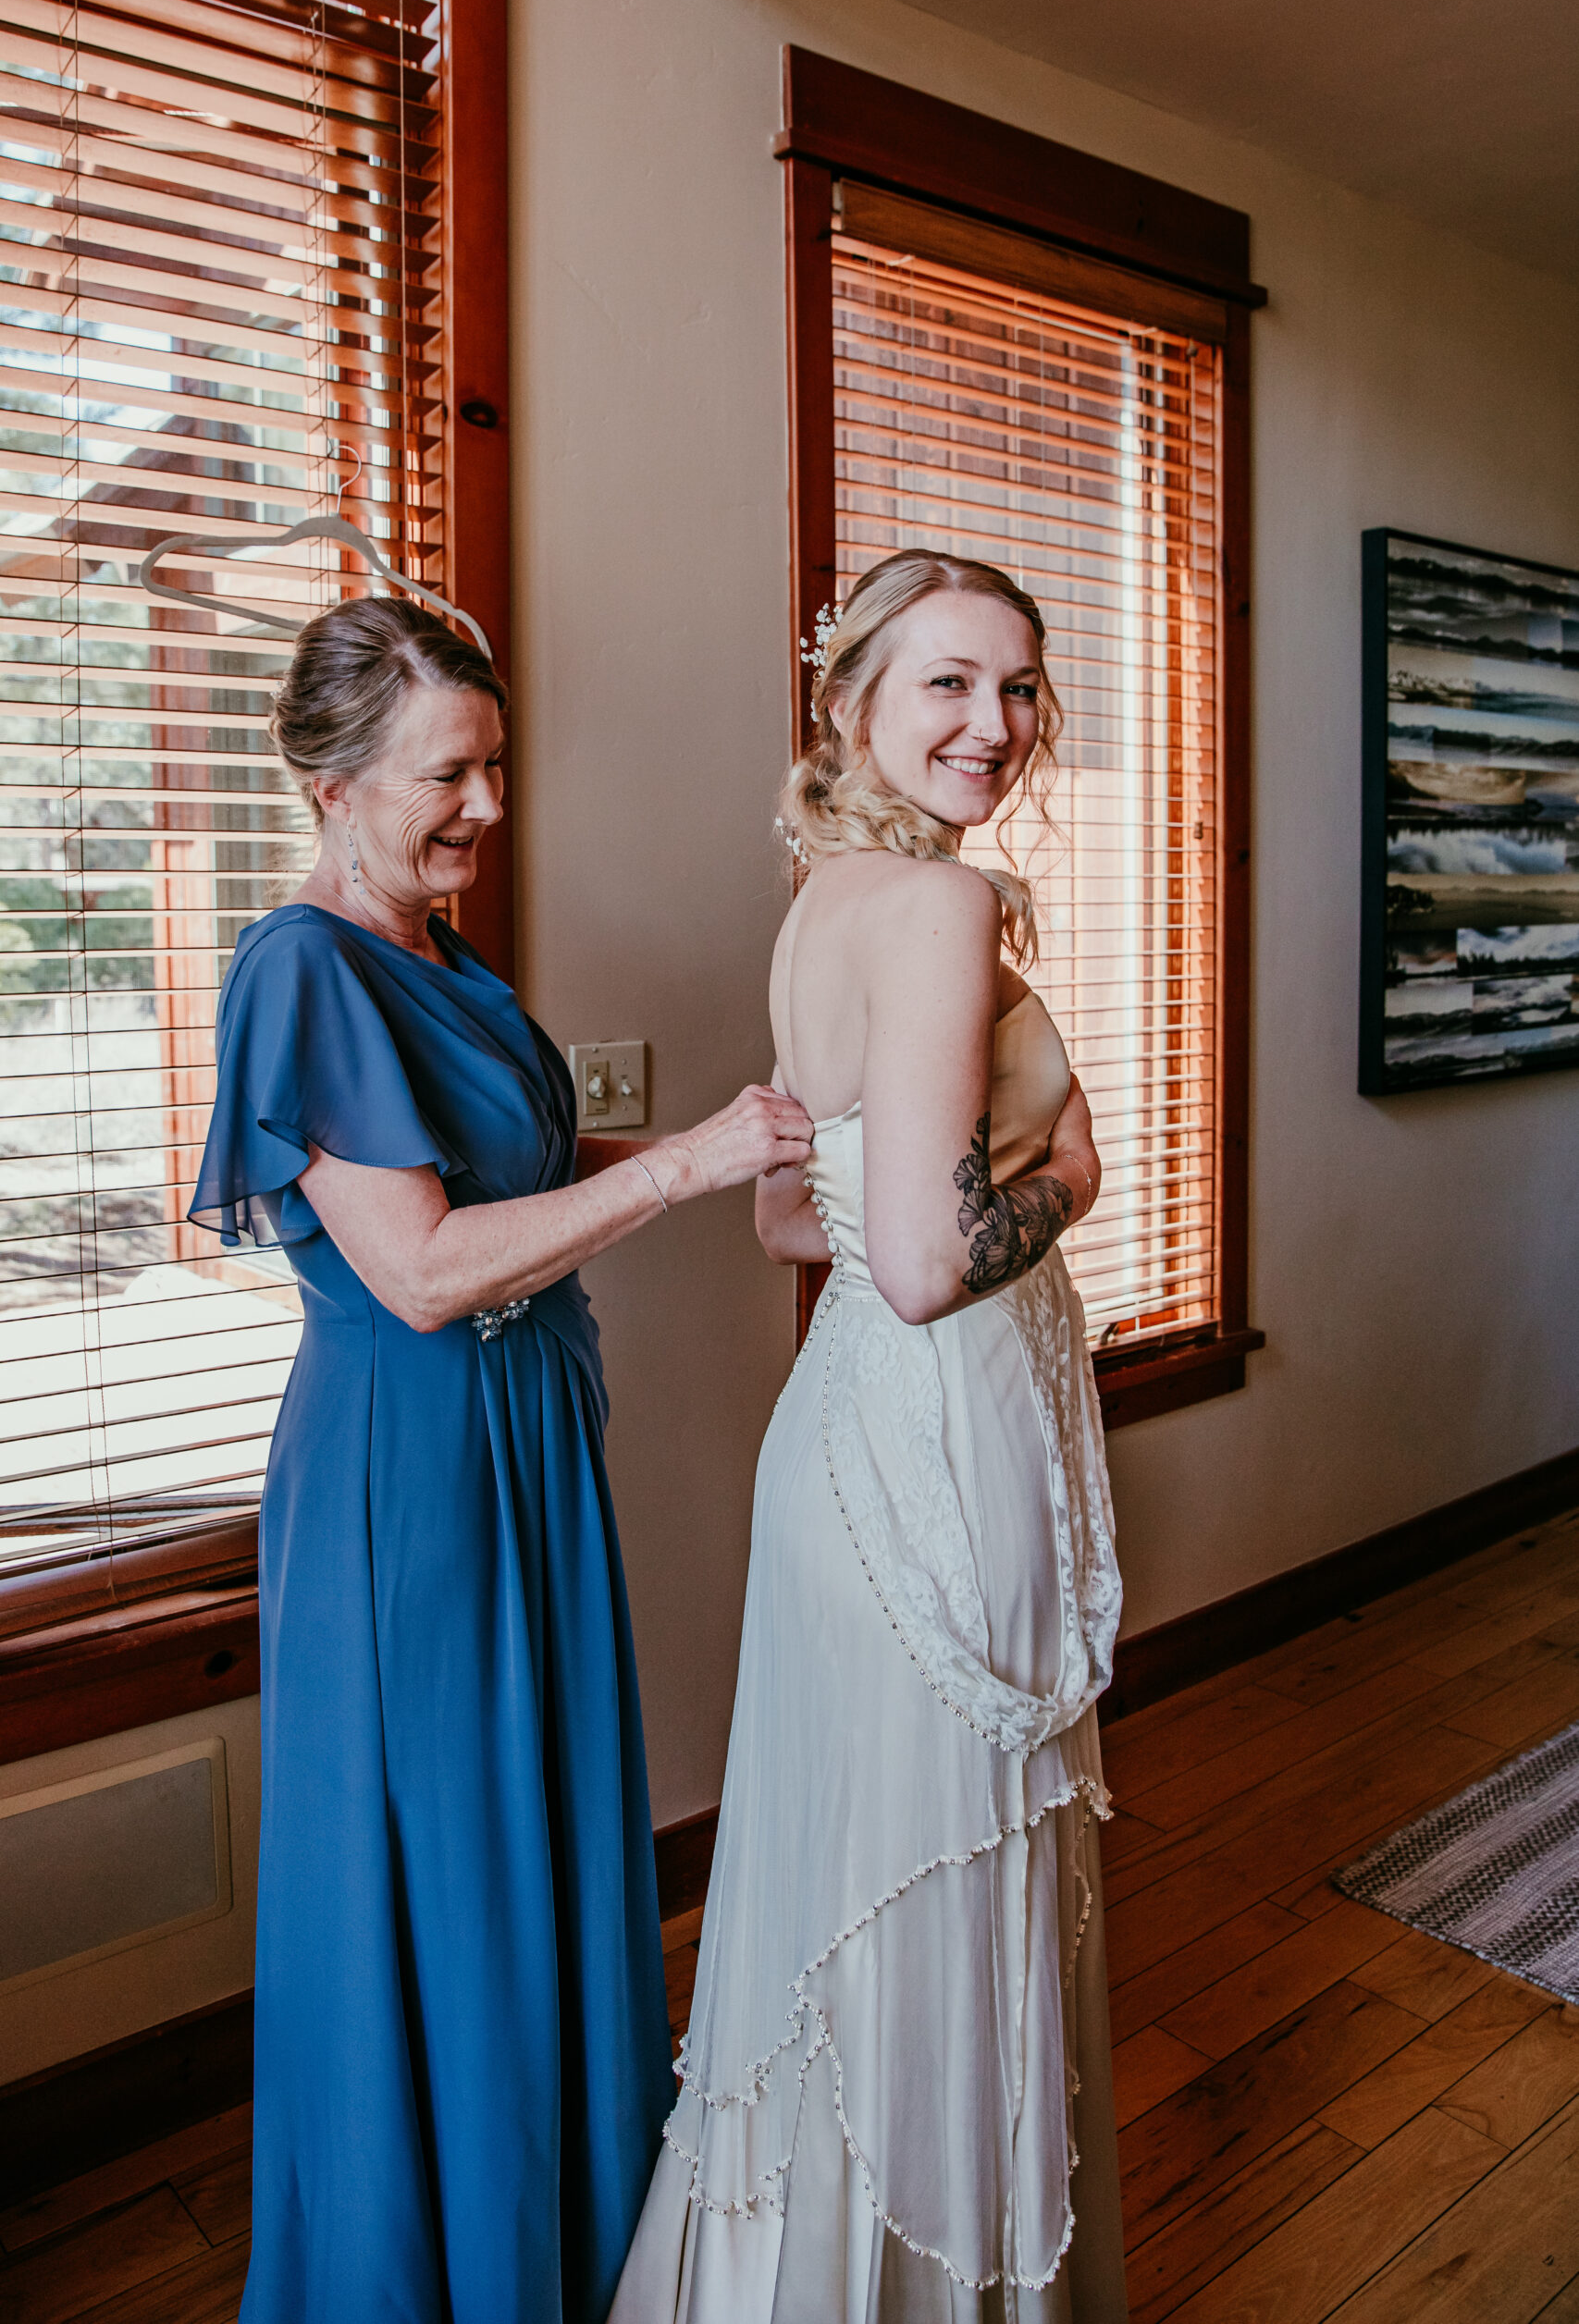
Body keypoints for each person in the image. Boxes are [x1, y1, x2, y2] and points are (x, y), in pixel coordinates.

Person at [188, 597, 813, 2324]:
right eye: (445, 774)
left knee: (536, 1827)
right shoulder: (301, 970)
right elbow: (417, 1267)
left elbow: (505, 1170)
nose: (486, 805)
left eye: (496, 765)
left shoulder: (443, 956)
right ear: (330, 783)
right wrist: (684, 1166)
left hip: (523, 1438)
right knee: (446, 1860)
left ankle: (552, 2230)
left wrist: (749, 1138)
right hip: (412, 1469)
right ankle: (431, 2267)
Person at [613, 551, 1128, 2321]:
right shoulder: (937, 906)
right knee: (940, 1877)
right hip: (934, 1454)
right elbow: (918, 1266)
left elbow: (794, 1219)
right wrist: (1072, 1178)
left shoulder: (824, 901)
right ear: (852, 703)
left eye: (1020, 686)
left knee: (852, 1894)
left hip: (842, 1442)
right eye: (948, 683)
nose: (997, 723)